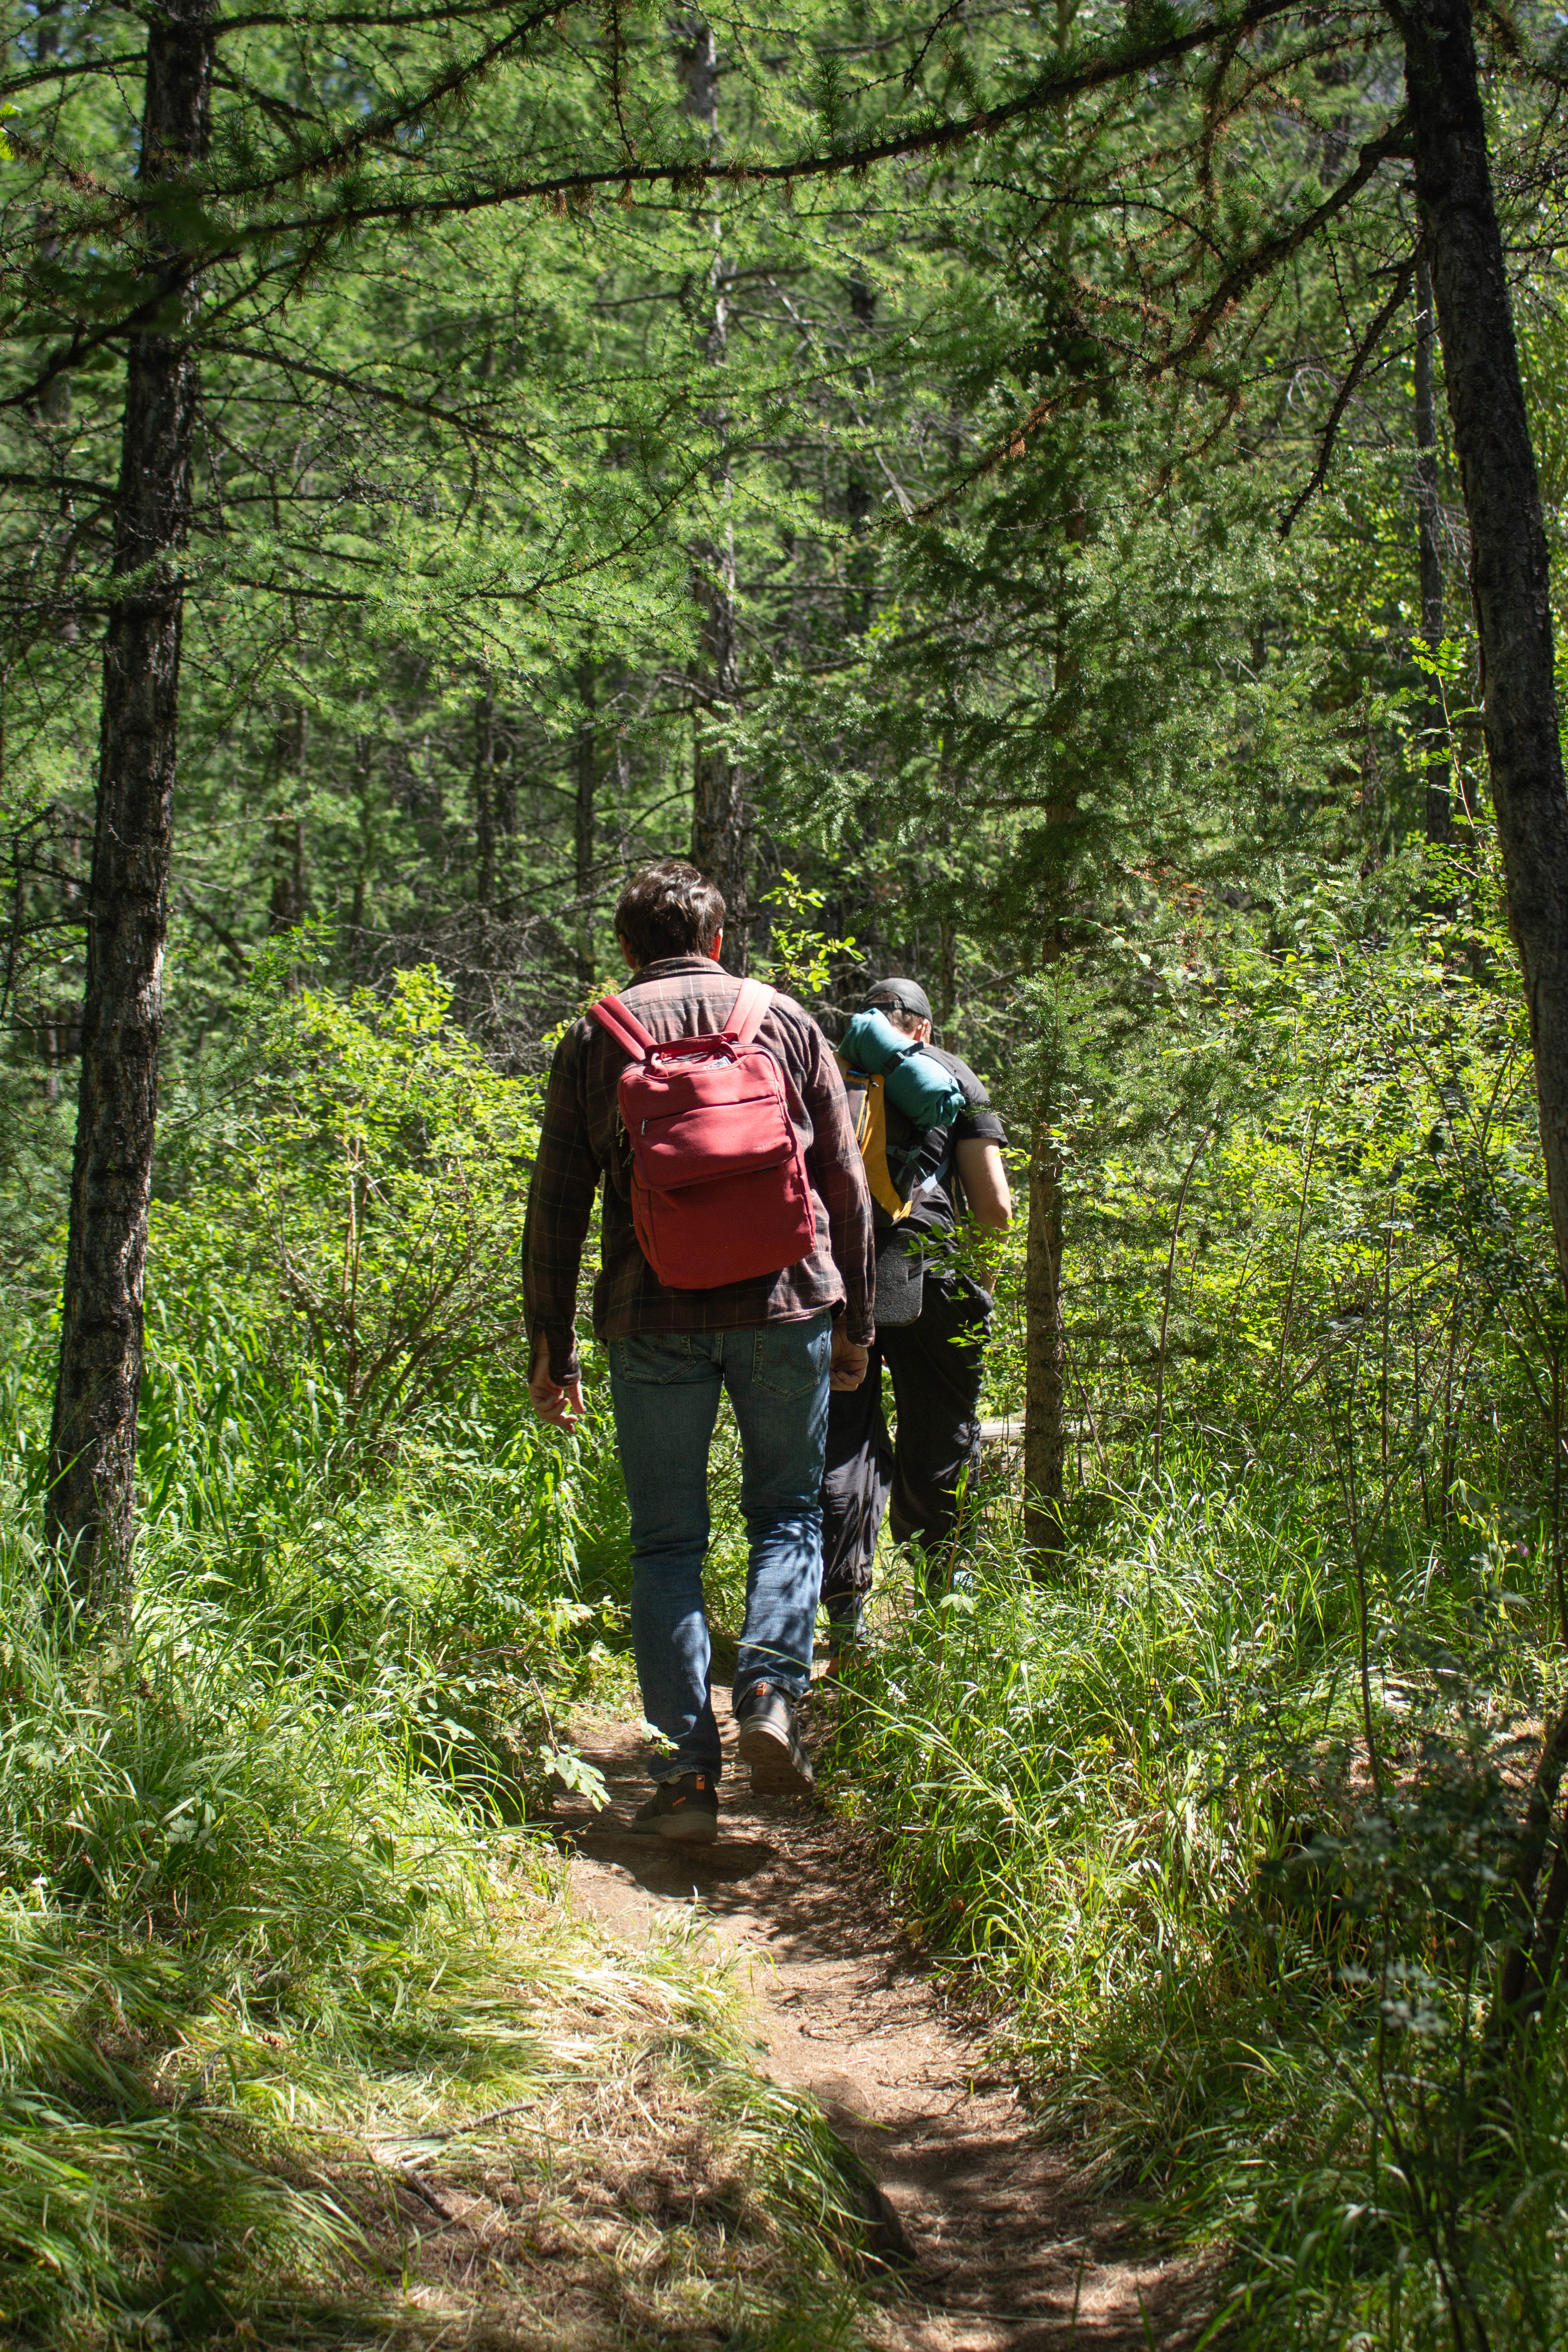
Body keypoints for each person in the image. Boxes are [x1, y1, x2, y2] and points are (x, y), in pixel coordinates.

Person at [522, 859, 874, 1846]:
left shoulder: (596, 1037)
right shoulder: (786, 1021)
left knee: (666, 1544)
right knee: (788, 1515)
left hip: (650, 1319)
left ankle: (684, 1777)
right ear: (718, 940)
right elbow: (843, 1183)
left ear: (627, 947)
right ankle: (769, 1690)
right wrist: (855, 1326)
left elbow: (556, 1207)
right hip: (783, 1307)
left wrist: (552, 1348)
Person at [820, 977, 1012, 1657]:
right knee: (943, 1431)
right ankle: (944, 1603)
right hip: (934, 1275)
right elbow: (994, 1206)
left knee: (845, 1440)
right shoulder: (953, 1076)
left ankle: (845, 1617)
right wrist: (979, 1290)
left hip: (839, 1280)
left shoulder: (825, 1067)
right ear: (921, 1030)